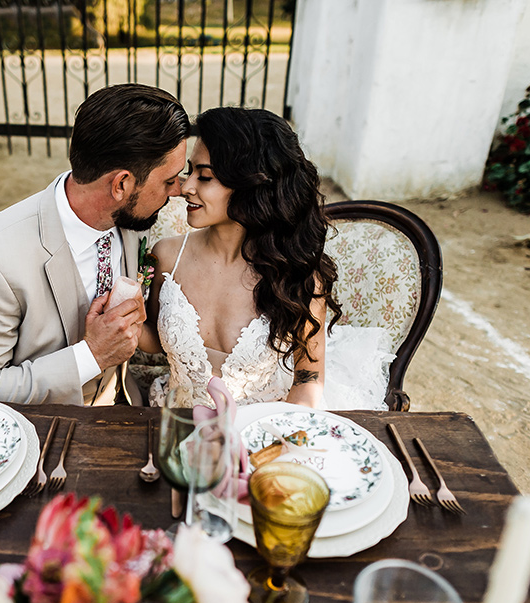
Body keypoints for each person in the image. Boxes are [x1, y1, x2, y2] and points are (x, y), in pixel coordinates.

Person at [0, 84, 190, 405]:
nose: (177, 190)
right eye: (169, 180)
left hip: (130, 406)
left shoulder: (133, 221)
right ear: (121, 184)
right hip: (46, 428)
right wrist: (91, 356)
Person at [138, 107, 394, 409]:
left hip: (264, 428)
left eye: (205, 176)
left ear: (251, 186)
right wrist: (125, 321)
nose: (186, 187)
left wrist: (278, 436)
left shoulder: (298, 275)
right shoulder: (167, 257)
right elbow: (156, 340)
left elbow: (308, 378)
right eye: (190, 171)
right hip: (177, 420)